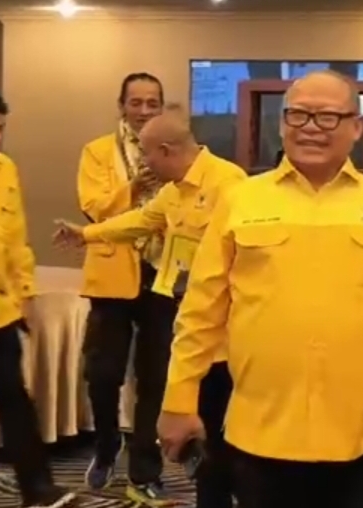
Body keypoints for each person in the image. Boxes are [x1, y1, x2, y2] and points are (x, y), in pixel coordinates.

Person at [156, 70, 363, 508]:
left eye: (328, 116)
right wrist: (179, 399)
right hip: (263, 436)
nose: (311, 127)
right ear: (281, 123)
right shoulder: (241, 200)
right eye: (298, 115)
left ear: (357, 127)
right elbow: (201, 311)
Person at [53, 105, 246, 508]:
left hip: (229, 337)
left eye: (146, 153)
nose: (143, 162)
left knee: (229, 436)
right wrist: (86, 234)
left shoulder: (229, 185)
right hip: (192, 327)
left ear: (166, 150)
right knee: (205, 438)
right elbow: (140, 220)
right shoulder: (175, 192)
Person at [68, 72, 171, 505]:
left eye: (152, 103)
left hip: (163, 274)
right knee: (103, 373)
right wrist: (134, 188)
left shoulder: (174, 150)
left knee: (155, 377)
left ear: (161, 106)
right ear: (122, 105)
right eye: (136, 102)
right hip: (112, 273)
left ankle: (145, 467)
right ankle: (108, 443)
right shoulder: (97, 151)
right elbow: (93, 208)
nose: (144, 110)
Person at [0, 82, 75, 507]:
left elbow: (16, 240)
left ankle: (37, 490)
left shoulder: (5, 170)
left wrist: (26, 296)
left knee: (14, 399)